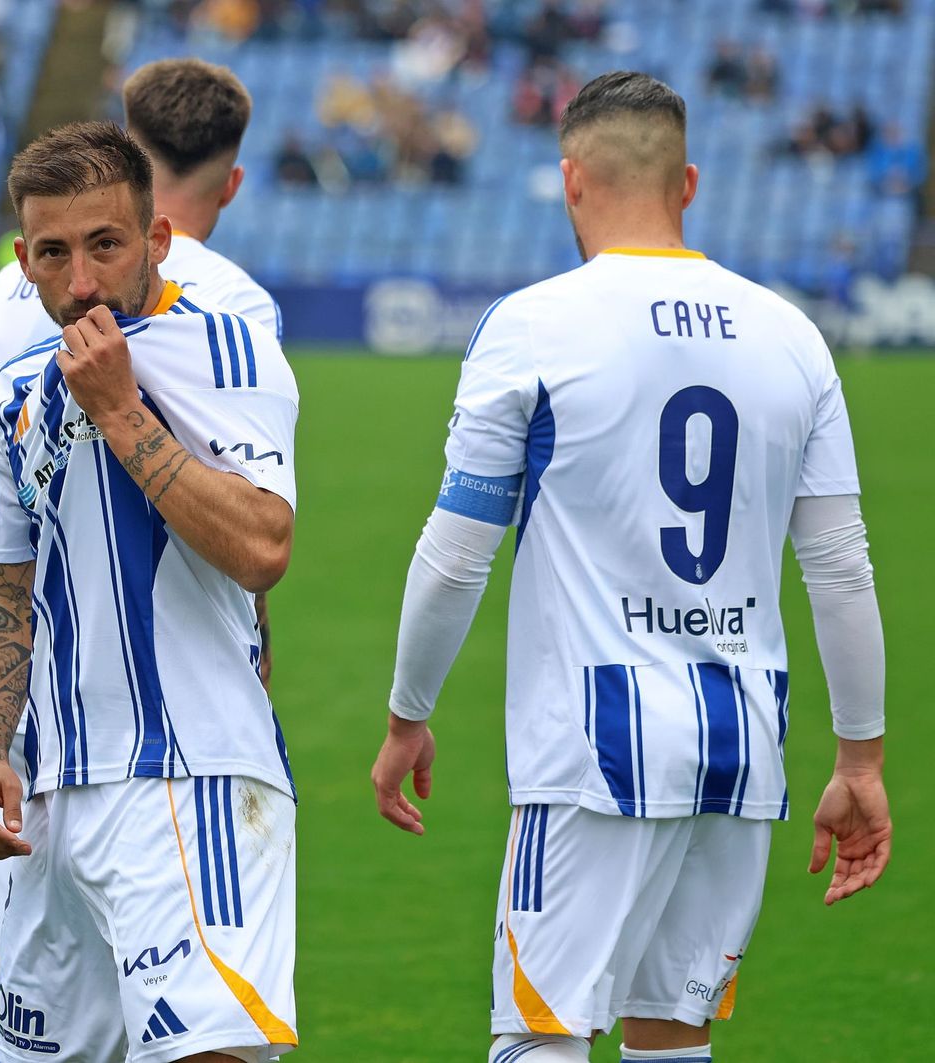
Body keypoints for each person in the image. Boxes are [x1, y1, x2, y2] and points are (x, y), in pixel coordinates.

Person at [370, 71, 892, 1063]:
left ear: (571, 180)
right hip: (742, 743)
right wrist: (860, 759)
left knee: (539, 1032)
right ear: (687, 183)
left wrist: (407, 714)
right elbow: (840, 569)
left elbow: (456, 552)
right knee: (672, 1037)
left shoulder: (532, 324)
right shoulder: (791, 334)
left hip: (592, 750)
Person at [0, 59, 280, 1063]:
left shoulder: (228, 345)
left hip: (188, 779)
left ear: (157, 237)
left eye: (106, 244)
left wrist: (121, 412)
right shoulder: (20, 388)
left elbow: (262, 547)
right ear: (24, 260)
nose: (83, 280)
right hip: (51, 793)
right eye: (54, 254)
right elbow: (4, 587)